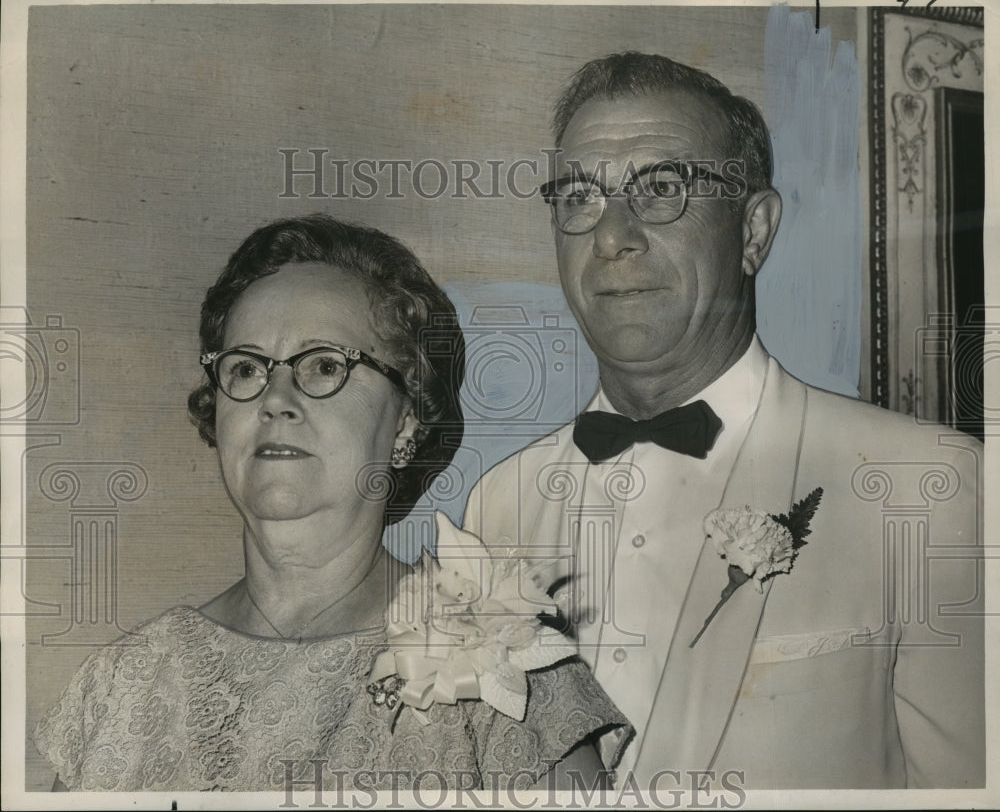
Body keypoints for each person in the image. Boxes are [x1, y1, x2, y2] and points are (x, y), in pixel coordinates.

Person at [464, 52, 984, 790]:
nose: (611, 235)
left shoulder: (932, 489)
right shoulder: (496, 505)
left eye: (663, 189)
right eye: (580, 196)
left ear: (753, 231)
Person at [32, 214, 629, 792]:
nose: (275, 400)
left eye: (324, 365)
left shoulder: (512, 672)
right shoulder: (122, 686)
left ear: (408, 419)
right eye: (245, 368)